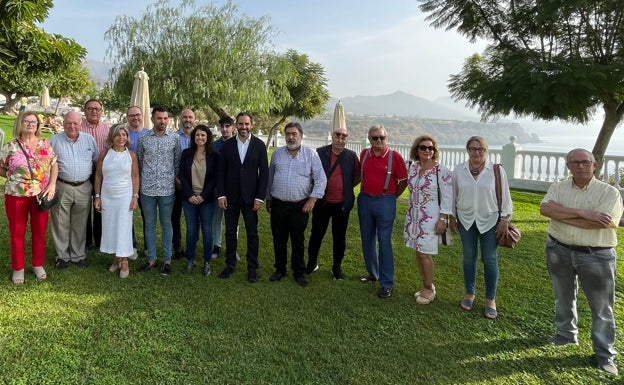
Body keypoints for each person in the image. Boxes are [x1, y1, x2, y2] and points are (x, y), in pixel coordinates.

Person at [540, 148, 622, 376]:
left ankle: (604, 353)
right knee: (563, 296)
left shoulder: (609, 193)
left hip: (596, 254)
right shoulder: (558, 186)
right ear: (568, 166)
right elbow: (545, 209)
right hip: (559, 249)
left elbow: (603, 223)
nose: (580, 166)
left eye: (585, 162)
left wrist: (562, 215)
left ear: (594, 165)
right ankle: (566, 335)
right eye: (575, 162)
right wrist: (585, 214)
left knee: (601, 307)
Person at [449, 136, 511, 319]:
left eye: (480, 149)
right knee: (469, 258)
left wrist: (505, 219)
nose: (477, 152)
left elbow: (506, 196)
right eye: (473, 149)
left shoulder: (496, 170)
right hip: (466, 219)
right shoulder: (459, 170)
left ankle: (490, 299)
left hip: (490, 220)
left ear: (486, 151)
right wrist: (452, 217)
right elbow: (453, 194)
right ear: (467, 150)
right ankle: (469, 293)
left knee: (490, 259)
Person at [266, 122, 327, 287]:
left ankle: (299, 272)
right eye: (288, 134)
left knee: (298, 240)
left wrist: (312, 200)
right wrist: (268, 199)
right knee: (279, 239)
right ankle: (280, 269)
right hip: (278, 204)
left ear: (301, 135)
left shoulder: (311, 155)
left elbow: (321, 179)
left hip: (300, 206)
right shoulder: (277, 154)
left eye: (294, 134)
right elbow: (270, 178)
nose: (291, 137)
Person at [0, 111, 58, 284]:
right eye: (27, 121)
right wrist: (12, 176)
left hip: (41, 194)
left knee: (39, 230)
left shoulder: (45, 144)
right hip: (16, 195)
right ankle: (18, 268)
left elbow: (54, 165)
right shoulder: (10, 146)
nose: (31, 124)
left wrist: (52, 184)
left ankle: (37, 264)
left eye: (34, 122)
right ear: (20, 123)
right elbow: (1, 166)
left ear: (38, 125)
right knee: (17, 232)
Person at [216, 112, 268, 283]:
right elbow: (221, 172)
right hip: (230, 197)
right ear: (236, 125)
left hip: (251, 198)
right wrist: (221, 194)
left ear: (251, 125)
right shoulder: (228, 145)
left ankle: (252, 268)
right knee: (230, 232)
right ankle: (230, 265)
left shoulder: (259, 145)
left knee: (252, 233)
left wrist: (260, 197)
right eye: (240, 124)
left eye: (246, 124)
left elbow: (264, 174)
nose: (243, 127)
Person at [358, 125, 408, 299]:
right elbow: (359, 175)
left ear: (387, 138)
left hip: (385, 200)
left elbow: (403, 180)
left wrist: (392, 196)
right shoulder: (364, 154)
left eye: (382, 137)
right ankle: (373, 273)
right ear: (370, 139)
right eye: (375, 138)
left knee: (384, 241)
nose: (379, 141)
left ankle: (386, 283)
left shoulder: (395, 157)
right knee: (367, 238)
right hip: (364, 199)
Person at [403, 135, 452, 304]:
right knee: (418, 251)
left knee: (424, 253)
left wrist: (443, 219)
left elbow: (448, 197)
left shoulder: (441, 171)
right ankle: (425, 285)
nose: (427, 151)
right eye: (423, 147)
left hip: (430, 218)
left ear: (434, 151)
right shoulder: (413, 167)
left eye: (430, 148)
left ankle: (429, 288)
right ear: (417, 150)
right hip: (413, 217)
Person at [306, 127, 360, 279]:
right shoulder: (320, 152)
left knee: (339, 237)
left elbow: (357, 177)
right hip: (322, 202)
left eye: (344, 136)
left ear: (347, 139)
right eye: (338, 135)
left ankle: (337, 268)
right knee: (316, 234)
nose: (340, 139)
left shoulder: (351, 156)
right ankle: (311, 263)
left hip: (342, 204)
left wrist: (346, 188)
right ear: (332, 136)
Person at [49, 111, 99, 269]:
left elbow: (96, 161)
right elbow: (47, 165)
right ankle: (62, 256)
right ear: (63, 123)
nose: (72, 126)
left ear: (80, 124)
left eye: (75, 123)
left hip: (84, 187)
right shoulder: (54, 141)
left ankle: (78, 255)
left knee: (80, 222)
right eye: (69, 123)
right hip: (62, 185)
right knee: (60, 222)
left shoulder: (89, 140)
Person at [136, 105, 181, 276]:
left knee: (166, 224)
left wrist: (172, 179)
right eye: (159, 118)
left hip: (167, 189)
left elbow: (177, 162)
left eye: (165, 118)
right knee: (149, 224)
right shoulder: (144, 139)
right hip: (147, 189)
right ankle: (151, 259)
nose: (162, 121)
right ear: (153, 119)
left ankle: (167, 260)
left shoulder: (174, 139)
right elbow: (140, 161)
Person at [93, 124, 140, 278]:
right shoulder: (104, 154)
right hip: (108, 196)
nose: (121, 138)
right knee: (111, 227)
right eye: (118, 135)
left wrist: (135, 196)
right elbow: (99, 176)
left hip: (125, 196)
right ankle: (116, 258)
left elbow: (135, 177)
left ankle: (125, 261)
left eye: (124, 134)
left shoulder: (131, 155)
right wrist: (98, 196)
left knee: (124, 227)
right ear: (112, 137)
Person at [178, 125, 219, 275]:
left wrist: (203, 195)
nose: (200, 138)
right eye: (197, 135)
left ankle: (207, 262)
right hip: (189, 199)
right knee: (191, 230)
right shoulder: (186, 153)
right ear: (193, 138)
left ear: (207, 137)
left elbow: (215, 178)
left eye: (203, 135)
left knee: (207, 230)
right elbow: (181, 175)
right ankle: (190, 259)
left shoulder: (214, 155)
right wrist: (190, 195)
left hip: (207, 200)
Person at [81, 99, 110, 250]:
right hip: (84, 172)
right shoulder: (77, 128)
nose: (94, 111)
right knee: (85, 206)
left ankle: (100, 240)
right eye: (90, 108)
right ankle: (86, 241)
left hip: (103, 174)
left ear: (101, 111)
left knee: (100, 206)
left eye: (97, 109)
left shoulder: (108, 129)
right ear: (84, 110)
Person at [172, 108, 195, 260]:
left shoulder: (200, 136)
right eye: (185, 117)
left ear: (194, 119)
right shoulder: (174, 137)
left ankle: (191, 247)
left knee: (193, 218)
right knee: (175, 217)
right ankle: (177, 246)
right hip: (177, 184)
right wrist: (176, 178)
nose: (187, 119)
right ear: (181, 119)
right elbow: (170, 160)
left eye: (190, 117)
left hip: (195, 185)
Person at [125, 105, 150, 255]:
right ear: (127, 117)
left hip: (146, 181)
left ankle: (148, 246)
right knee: (128, 215)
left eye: (138, 114)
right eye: (132, 115)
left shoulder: (149, 134)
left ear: (142, 116)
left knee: (148, 216)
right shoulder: (123, 134)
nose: (135, 117)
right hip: (127, 181)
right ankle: (131, 245)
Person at [211, 115, 235, 260]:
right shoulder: (214, 146)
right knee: (216, 219)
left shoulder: (239, 144)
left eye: (228, 126)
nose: (225, 129)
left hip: (234, 189)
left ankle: (233, 247)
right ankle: (217, 246)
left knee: (233, 221)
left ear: (233, 127)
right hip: (217, 188)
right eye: (223, 126)